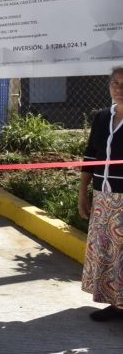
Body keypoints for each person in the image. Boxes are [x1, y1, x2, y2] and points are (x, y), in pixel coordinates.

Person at [78, 65, 123, 322]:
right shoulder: (103, 116)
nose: (119, 89)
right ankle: (116, 304)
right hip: (103, 196)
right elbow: (91, 154)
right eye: (115, 83)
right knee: (107, 250)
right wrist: (83, 191)